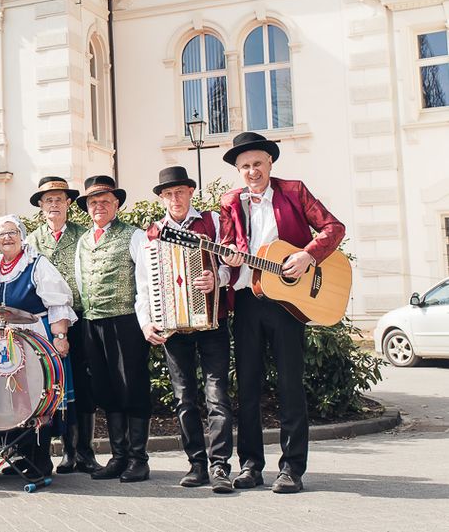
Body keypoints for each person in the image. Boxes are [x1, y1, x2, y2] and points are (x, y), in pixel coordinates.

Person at [217, 132, 346, 494]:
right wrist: (226, 257)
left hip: (289, 304)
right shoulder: (230, 202)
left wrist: (308, 255)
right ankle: (251, 466)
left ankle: (292, 468)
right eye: (245, 166)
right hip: (247, 301)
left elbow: (334, 228)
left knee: (290, 385)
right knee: (248, 387)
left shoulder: (293, 191)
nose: (251, 171)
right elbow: (228, 246)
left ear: (270, 163)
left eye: (257, 163)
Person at [135, 166, 233, 493]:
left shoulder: (213, 222)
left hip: (211, 322)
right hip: (173, 326)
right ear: (162, 198)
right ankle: (197, 464)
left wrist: (216, 278)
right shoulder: (152, 234)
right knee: (184, 398)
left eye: (180, 192)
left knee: (217, 396)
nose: (174, 198)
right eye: (168, 194)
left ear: (191, 192)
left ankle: (220, 466)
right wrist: (146, 321)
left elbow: (232, 263)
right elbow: (145, 285)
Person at [73, 175, 152, 483]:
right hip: (93, 322)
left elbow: (144, 281)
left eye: (105, 201)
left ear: (116, 204)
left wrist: (146, 320)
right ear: (88, 208)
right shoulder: (82, 241)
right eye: (94, 202)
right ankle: (119, 456)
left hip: (125, 321)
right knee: (105, 388)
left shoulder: (134, 236)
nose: (99, 206)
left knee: (132, 386)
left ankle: (138, 458)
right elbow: (81, 283)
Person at [0, 214, 75, 480]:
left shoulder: (36, 264)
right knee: (14, 398)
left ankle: (41, 460)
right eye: (1, 234)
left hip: (36, 337)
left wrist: (60, 335)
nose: (7, 238)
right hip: (8, 342)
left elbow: (58, 302)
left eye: (12, 232)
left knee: (39, 398)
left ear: (22, 236)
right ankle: (23, 455)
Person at [25, 176, 98, 475]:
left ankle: (83, 451)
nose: (54, 204)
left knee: (83, 385)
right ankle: (61, 451)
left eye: (59, 199)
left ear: (69, 203)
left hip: (79, 318)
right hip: (45, 325)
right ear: (41, 206)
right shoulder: (30, 240)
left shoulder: (83, 235)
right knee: (53, 386)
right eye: (48, 200)